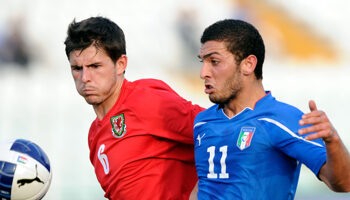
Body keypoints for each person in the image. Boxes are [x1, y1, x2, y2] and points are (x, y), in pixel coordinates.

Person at [193, 19, 350, 199]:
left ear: (248, 64)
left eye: (214, 61)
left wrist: (333, 141)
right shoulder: (202, 122)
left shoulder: (282, 119)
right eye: (202, 62)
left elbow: (344, 183)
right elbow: (204, 185)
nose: (203, 72)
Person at [64, 17, 204, 200]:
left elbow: (220, 129)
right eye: (77, 68)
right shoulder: (94, 136)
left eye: (94, 66)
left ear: (121, 64)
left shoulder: (147, 99)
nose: (84, 77)